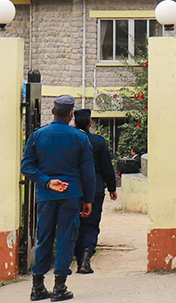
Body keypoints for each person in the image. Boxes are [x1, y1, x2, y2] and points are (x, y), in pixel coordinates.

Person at [21, 95, 94, 302]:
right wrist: (88, 199)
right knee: (65, 237)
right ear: (71, 115)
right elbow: (88, 173)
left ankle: (37, 287)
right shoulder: (80, 138)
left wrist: (47, 182)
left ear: (53, 112)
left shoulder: (38, 135)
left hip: (46, 195)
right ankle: (60, 287)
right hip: (71, 195)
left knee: (43, 237)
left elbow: (27, 167)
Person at [71, 109, 117, 275]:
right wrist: (112, 188)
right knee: (91, 224)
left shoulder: (70, 140)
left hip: (73, 188)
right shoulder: (98, 142)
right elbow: (107, 168)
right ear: (90, 123)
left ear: (74, 123)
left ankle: (76, 257)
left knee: (74, 223)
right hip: (95, 188)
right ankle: (85, 259)